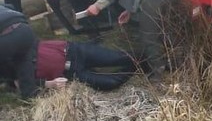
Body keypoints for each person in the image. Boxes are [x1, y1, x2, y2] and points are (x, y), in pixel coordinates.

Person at [0, 39, 139, 92]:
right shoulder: (5, 67)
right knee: (111, 83)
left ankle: (149, 58)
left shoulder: (11, 38)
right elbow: (20, 84)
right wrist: (50, 84)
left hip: (74, 51)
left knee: (119, 58)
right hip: (71, 74)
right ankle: (139, 68)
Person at [0, 7, 65, 98]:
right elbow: (10, 6)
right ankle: (29, 94)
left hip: (7, 36)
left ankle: (13, 82)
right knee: (22, 62)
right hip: (24, 30)